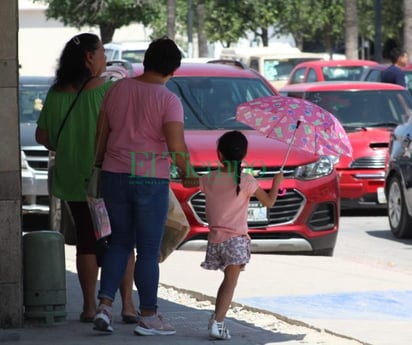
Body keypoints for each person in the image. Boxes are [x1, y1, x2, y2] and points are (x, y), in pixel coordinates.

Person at [35, 33, 137, 324]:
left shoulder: (55, 94)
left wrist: (67, 145)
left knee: (86, 241)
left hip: (72, 177)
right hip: (107, 174)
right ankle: (127, 305)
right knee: (121, 238)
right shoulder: (107, 90)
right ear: (90, 58)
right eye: (102, 52)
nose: (105, 58)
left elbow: (42, 136)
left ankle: (90, 307)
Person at [92, 36, 191, 335]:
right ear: (173, 69)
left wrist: (98, 166)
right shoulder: (168, 100)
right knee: (148, 250)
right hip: (150, 179)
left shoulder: (117, 88)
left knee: (119, 243)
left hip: (113, 174)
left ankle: (105, 307)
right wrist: (189, 171)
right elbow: (175, 145)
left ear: (146, 61)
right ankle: (148, 314)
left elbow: (102, 133)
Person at [182, 130, 284, 340]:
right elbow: (270, 202)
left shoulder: (209, 178)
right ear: (244, 155)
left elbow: (188, 182)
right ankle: (217, 323)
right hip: (236, 241)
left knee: (226, 282)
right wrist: (276, 183)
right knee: (230, 283)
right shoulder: (247, 181)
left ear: (219, 154)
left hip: (215, 240)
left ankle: (216, 320)